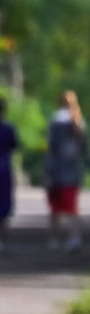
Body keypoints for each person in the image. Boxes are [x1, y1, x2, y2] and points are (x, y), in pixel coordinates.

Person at [44, 90, 87, 252]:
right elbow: (83, 148)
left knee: (55, 208)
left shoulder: (55, 121)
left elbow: (51, 149)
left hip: (56, 171)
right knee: (72, 207)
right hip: (72, 172)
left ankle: (54, 239)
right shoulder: (79, 122)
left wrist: (47, 172)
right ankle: (75, 237)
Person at [0, 98, 18, 254]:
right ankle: (3, 242)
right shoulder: (8, 129)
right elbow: (14, 145)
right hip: (4, 170)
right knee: (4, 209)